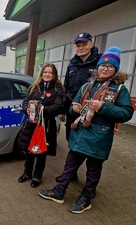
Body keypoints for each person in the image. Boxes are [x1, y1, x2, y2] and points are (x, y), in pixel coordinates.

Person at [38, 46, 134, 214]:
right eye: (102, 65)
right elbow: (73, 106)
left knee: (93, 170)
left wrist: (102, 107)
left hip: (99, 137)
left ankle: (86, 198)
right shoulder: (87, 86)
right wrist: (73, 109)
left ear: (115, 69)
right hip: (79, 132)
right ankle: (59, 192)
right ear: (97, 67)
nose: (105, 68)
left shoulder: (120, 89)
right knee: (69, 165)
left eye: (110, 66)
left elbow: (126, 113)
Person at [56, 32, 101, 183]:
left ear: (91, 44)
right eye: (78, 45)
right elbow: (66, 87)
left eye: (84, 44)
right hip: (72, 110)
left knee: (89, 144)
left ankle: (90, 182)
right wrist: (63, 109)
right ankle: (71, 174)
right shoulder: (72, 64)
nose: (81, 48)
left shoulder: (100, 62)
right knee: (71, 139)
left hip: (91, 112)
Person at [17, 64, 64, 188]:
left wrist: (40, 109)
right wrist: (27, 109)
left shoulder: (58, 89)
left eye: (50, 72)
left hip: (46, 125)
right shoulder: (34, 87)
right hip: (31, 124)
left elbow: (57, 107)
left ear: (54, 75)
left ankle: (37, 176)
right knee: (29, 150)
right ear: (42, 73)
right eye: (45, 72)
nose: (47, 74)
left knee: (41, 151)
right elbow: (25, 101)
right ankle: (27, 173)